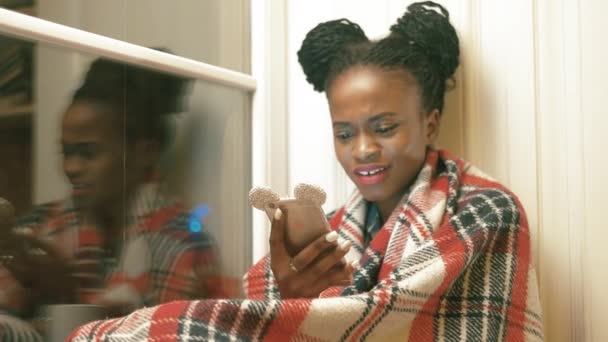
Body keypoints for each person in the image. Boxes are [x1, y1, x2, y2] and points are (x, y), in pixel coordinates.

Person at [68, 2, 544, 341]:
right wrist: (290, 295)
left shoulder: (488, 211)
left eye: (385, 127)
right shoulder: (327, 230)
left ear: (430, 122)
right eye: (344, 133)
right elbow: (262, 314)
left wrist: (329, 301)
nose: (362, 149)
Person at [0, 54, 223, 341]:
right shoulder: (40, 226)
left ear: (146, 151)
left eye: (87, 152)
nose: (71, 168)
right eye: (66, 152)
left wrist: (64, 294)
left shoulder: (179, 245)